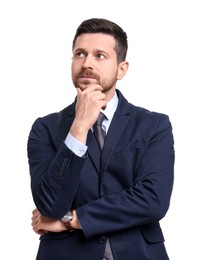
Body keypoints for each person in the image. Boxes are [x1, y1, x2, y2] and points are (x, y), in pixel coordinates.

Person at [27, 18, 175, 260]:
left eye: (100, 56)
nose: (86, 63)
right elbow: (50, 205)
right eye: (79, 54)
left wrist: (71, 220)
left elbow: (152, 200)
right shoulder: (45, 129)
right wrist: (80, 126)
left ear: (122, 69)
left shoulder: (154, 126)